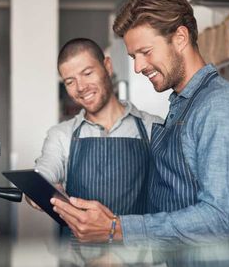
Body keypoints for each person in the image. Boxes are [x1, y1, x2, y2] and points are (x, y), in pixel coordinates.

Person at [51, 0, 229, 246]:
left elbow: (220, 222)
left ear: (180, 38)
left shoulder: (222, 107)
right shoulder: (182, 106)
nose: (138, 67)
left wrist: (118, 228)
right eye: (133, 57)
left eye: (146, 52)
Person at [29, 38, 162, 227]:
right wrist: (39, 191)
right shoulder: (61, 135)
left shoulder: (153, 127)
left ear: (107, 66)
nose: (81, 87)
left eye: (87, 73)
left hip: (136, 254)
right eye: (70, 81)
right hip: (77, 254)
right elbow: (43, 174)